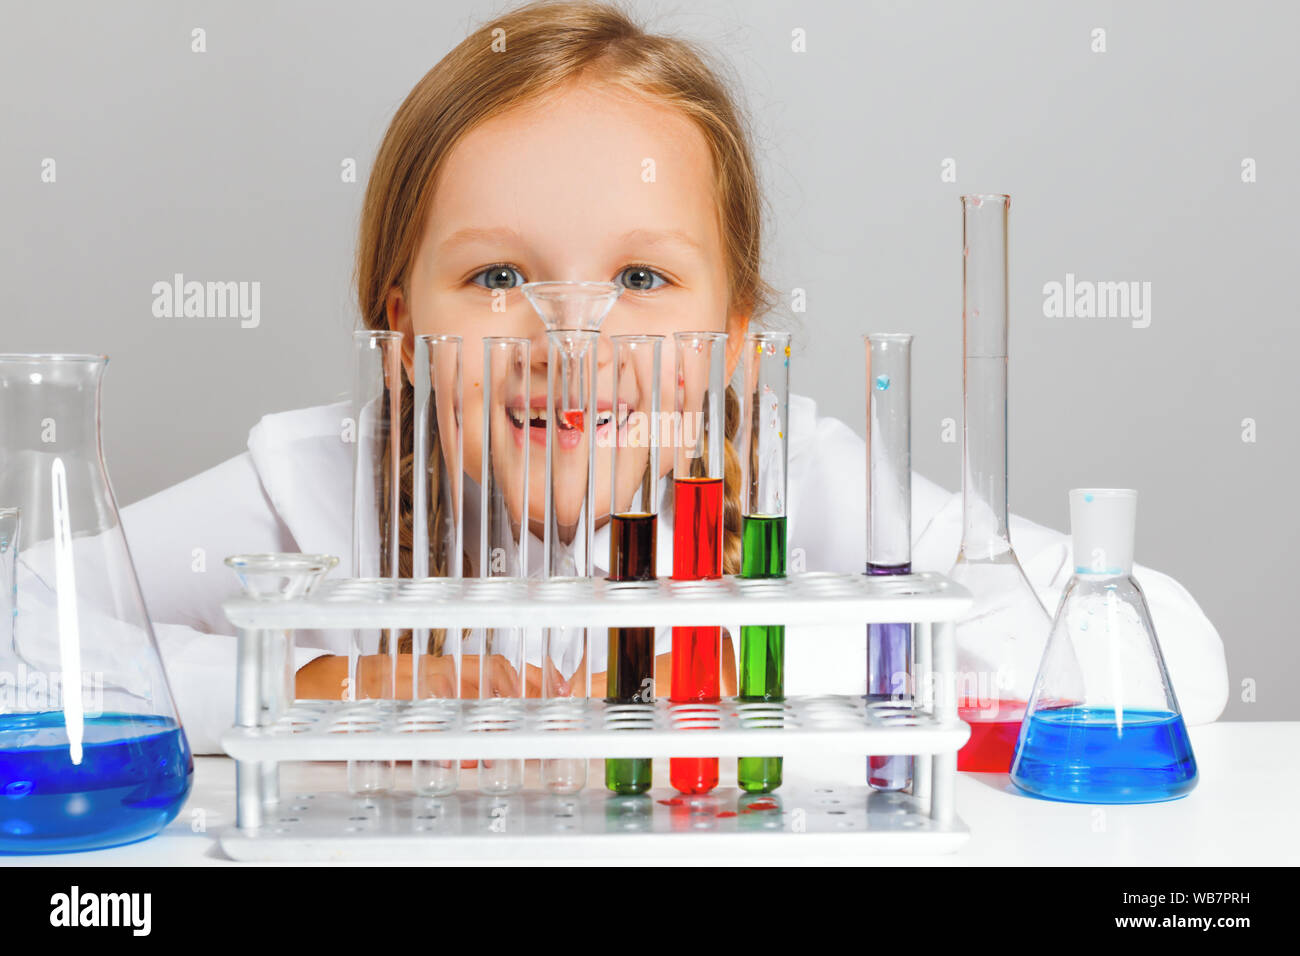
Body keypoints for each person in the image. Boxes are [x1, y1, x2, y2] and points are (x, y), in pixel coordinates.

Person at [122, 1, 1228, 754]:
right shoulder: (313, 484)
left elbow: (1166, 644)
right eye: (499, 272)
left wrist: (725, 670)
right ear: (402, 331)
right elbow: (20, 622)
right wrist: (310, 685)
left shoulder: (805, 481)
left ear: (737, 338)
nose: (573, 337)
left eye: (642, 276)